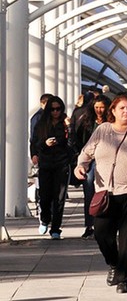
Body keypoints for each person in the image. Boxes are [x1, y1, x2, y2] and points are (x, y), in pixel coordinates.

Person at [74, 95, 127, 294]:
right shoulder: (103, 130)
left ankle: (123, 278)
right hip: (104, 193)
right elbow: (86, 153)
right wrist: (80, 166)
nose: (126, 112)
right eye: (121, 108)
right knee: (102, 234)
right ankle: (113, 263)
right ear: (112, 111)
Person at [30, 95, 74, 240]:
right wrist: (44, 145)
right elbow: (35, 142)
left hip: (62, 164)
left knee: (59, 197)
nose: (56, 112)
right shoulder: (41, 124)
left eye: (58, 109)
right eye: (53, 109)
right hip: (46, 163)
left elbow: (72, 145)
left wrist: (69, 127)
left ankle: (56, 228)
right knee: (45, 195)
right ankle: (45, 219)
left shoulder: (65, 124)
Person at [74, 94, 111, 239]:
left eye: (102, 107)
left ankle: (104, 223)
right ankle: (89, 225)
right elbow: (78, 138)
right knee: (89, 189)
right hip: (90, 159)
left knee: (106, 191)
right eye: (97, 107)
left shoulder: (111, 123)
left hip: (107, 158)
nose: (99, 110)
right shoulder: (86, 121)